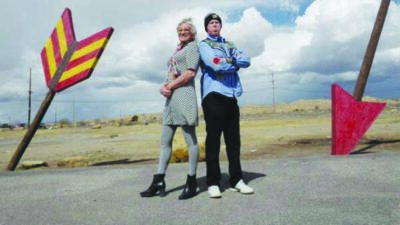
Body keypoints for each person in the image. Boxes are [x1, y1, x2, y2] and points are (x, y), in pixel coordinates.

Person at [140, 18, 200, 200]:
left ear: (193, 33)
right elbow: (172, 73)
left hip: (184, 97)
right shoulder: (178, 50)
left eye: (186, 30)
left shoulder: (192, 48)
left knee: (191, 141)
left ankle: (191, 181)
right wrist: (163, 87)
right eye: (180, 30)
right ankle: (159, 180)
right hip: (171, 100)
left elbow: (190, 72)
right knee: (165, 141)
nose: (183, 32)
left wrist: (170, 85)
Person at [199, 13, 254, 198]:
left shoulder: (230, 44)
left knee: (234, 141)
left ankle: (236, 180)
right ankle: (213, 182)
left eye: (217, 23)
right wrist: (234, 63)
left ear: (221, 26)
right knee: (213, 140)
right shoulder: (204, 45)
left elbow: (246, 60)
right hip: (214, 95)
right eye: (211, 23)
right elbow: (215, 64)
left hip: (231, 95)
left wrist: (230, 61)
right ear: (207, 28)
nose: (214, 25)